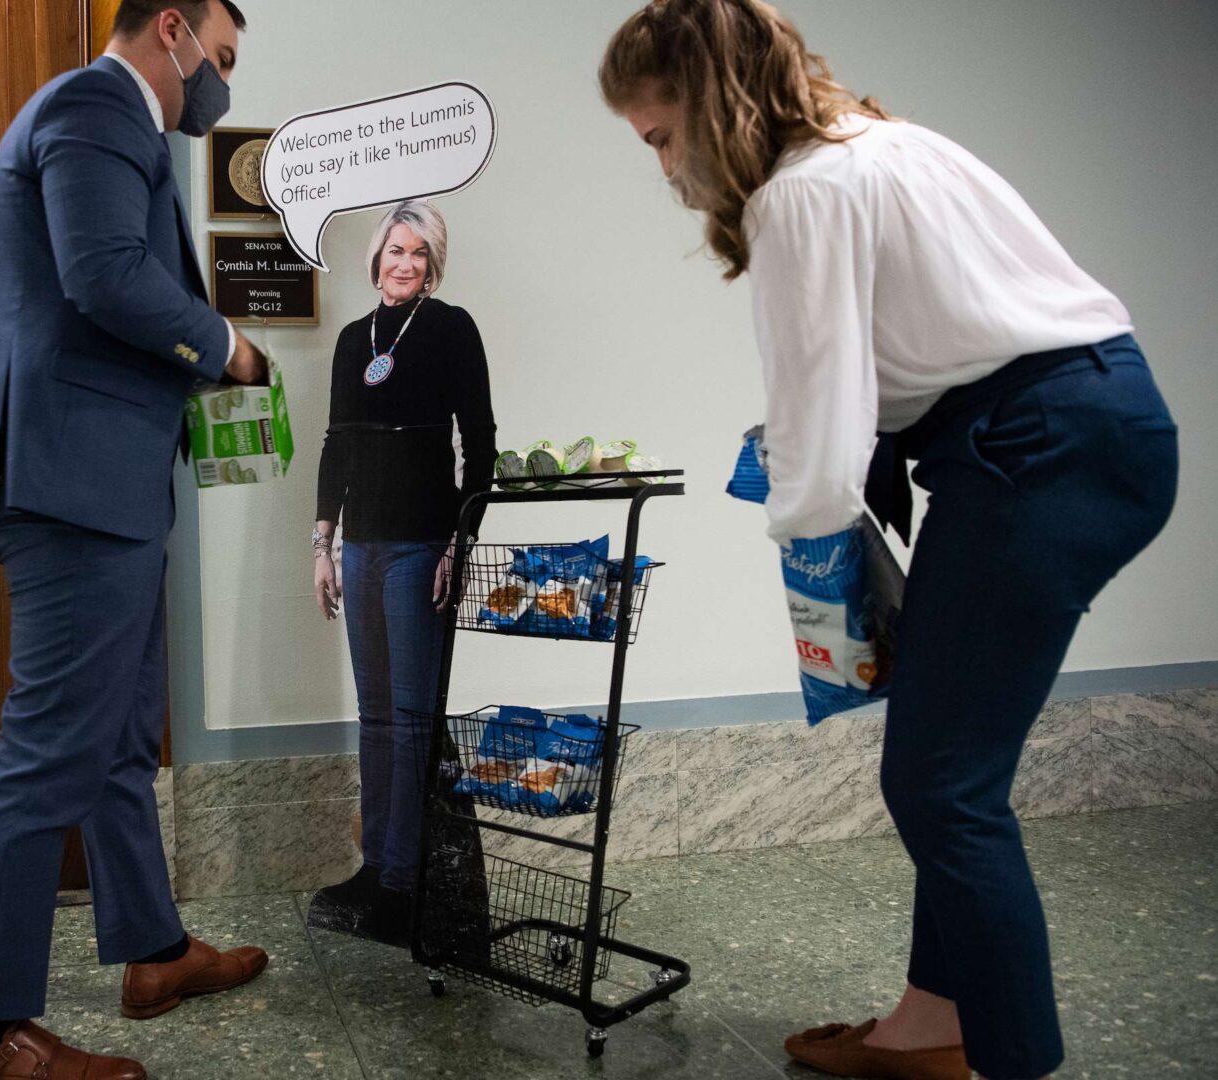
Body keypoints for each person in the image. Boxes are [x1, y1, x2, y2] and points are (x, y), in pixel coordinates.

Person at [600, 3, 1179, 1079]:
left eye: (660, 136)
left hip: (1033, 450)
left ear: (712, 108)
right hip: (1090, 427)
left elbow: (820, 458)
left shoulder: (800, 196)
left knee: (941, 786)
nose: (665, 168)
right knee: (949, 760)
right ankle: (932, 1023)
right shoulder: (882, 143)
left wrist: (816, 574)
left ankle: (1010, 1060)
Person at [0, 2, 271, 1077]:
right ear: (170, 30)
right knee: (45, 759)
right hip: (68, 483)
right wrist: (230, 348)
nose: (218, 85)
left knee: (123, 735)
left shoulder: (112, 122)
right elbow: (103, 275)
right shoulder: (93, 105)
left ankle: (153, 951)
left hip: (107, 480)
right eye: (216, 59)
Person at [307, 200, 498, 944]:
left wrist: (460, 543)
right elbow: (335, 446)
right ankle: (376, 866)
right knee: (377, 716)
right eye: (395, 249)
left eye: (419, 252)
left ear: (433, 263)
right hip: (363, 548)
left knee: (414, 720)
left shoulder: (451, 329)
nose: (405, 263)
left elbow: (479, 445)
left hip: (422, 546)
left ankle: (405, 883)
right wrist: (322, 543)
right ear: (376, 257)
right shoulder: (357, 339)